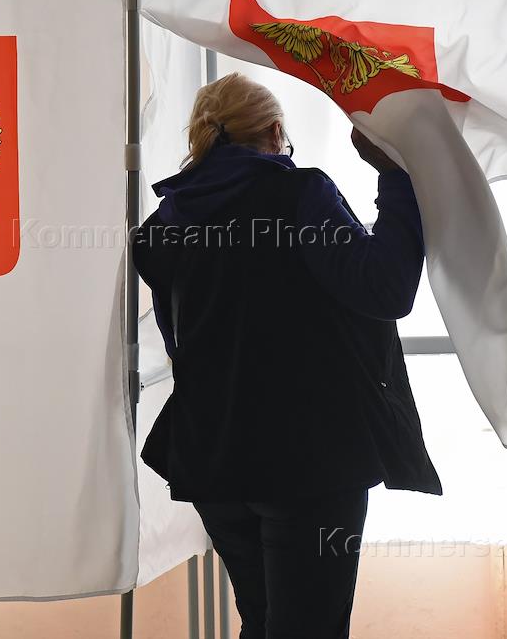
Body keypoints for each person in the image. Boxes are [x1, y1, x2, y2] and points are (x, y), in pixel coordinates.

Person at [133, 72, 442, 639]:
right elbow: (385, 289)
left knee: (263, 621)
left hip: (212, 459)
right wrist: (397, 177)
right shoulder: (299, 195)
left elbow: (182, 339)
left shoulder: (167, 223)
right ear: (276, 132)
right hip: (310, 461)